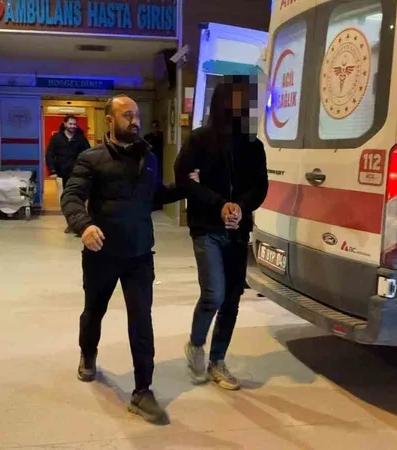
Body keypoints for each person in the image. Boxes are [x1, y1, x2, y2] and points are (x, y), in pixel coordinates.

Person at [61, 94, 191, 425]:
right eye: (127, 116)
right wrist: (84, 225)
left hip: (139, 255)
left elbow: (155, 196)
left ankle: (143, 391)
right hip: (101, 254)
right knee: (94, 311)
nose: (135, 121)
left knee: (141, 320)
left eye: (136, 115)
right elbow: (71, 196)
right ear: (110, 121)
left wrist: (185, 187)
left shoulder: (148, 157)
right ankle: (88, 353)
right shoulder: (91, 159)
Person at [174, 76, 269, 391]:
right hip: (207, 228)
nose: (240, 106)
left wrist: (240, 207)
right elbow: (183, 178)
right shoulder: (200, 139)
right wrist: (219, 204)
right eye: (235, 99)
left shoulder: (253, 145)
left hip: (238, 231)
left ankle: (218, 361)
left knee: (232, 298)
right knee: (214, 293)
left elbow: (260, 186)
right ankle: (196, 344)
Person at [46, 114, 91, 234]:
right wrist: (52, 170)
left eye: (75, 124)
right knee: (65, 199)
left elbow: (88, 154)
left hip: (78, 173)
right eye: (70, 124)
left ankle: (79, 223)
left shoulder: (81, 138)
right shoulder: (56, 138)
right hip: (62, 174)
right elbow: (49, 154)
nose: (73, 126)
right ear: (65, 124)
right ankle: (70, 223)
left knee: (78, 199)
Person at [143, 120, 165, 211]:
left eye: (156, 126)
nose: (154, 128)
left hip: (160, 160)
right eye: (153, 126)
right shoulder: (147, 137)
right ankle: (152, 203)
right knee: (151, 181)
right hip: (150, 161)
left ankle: (158, 203)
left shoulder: (161, 137)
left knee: (159, 182)